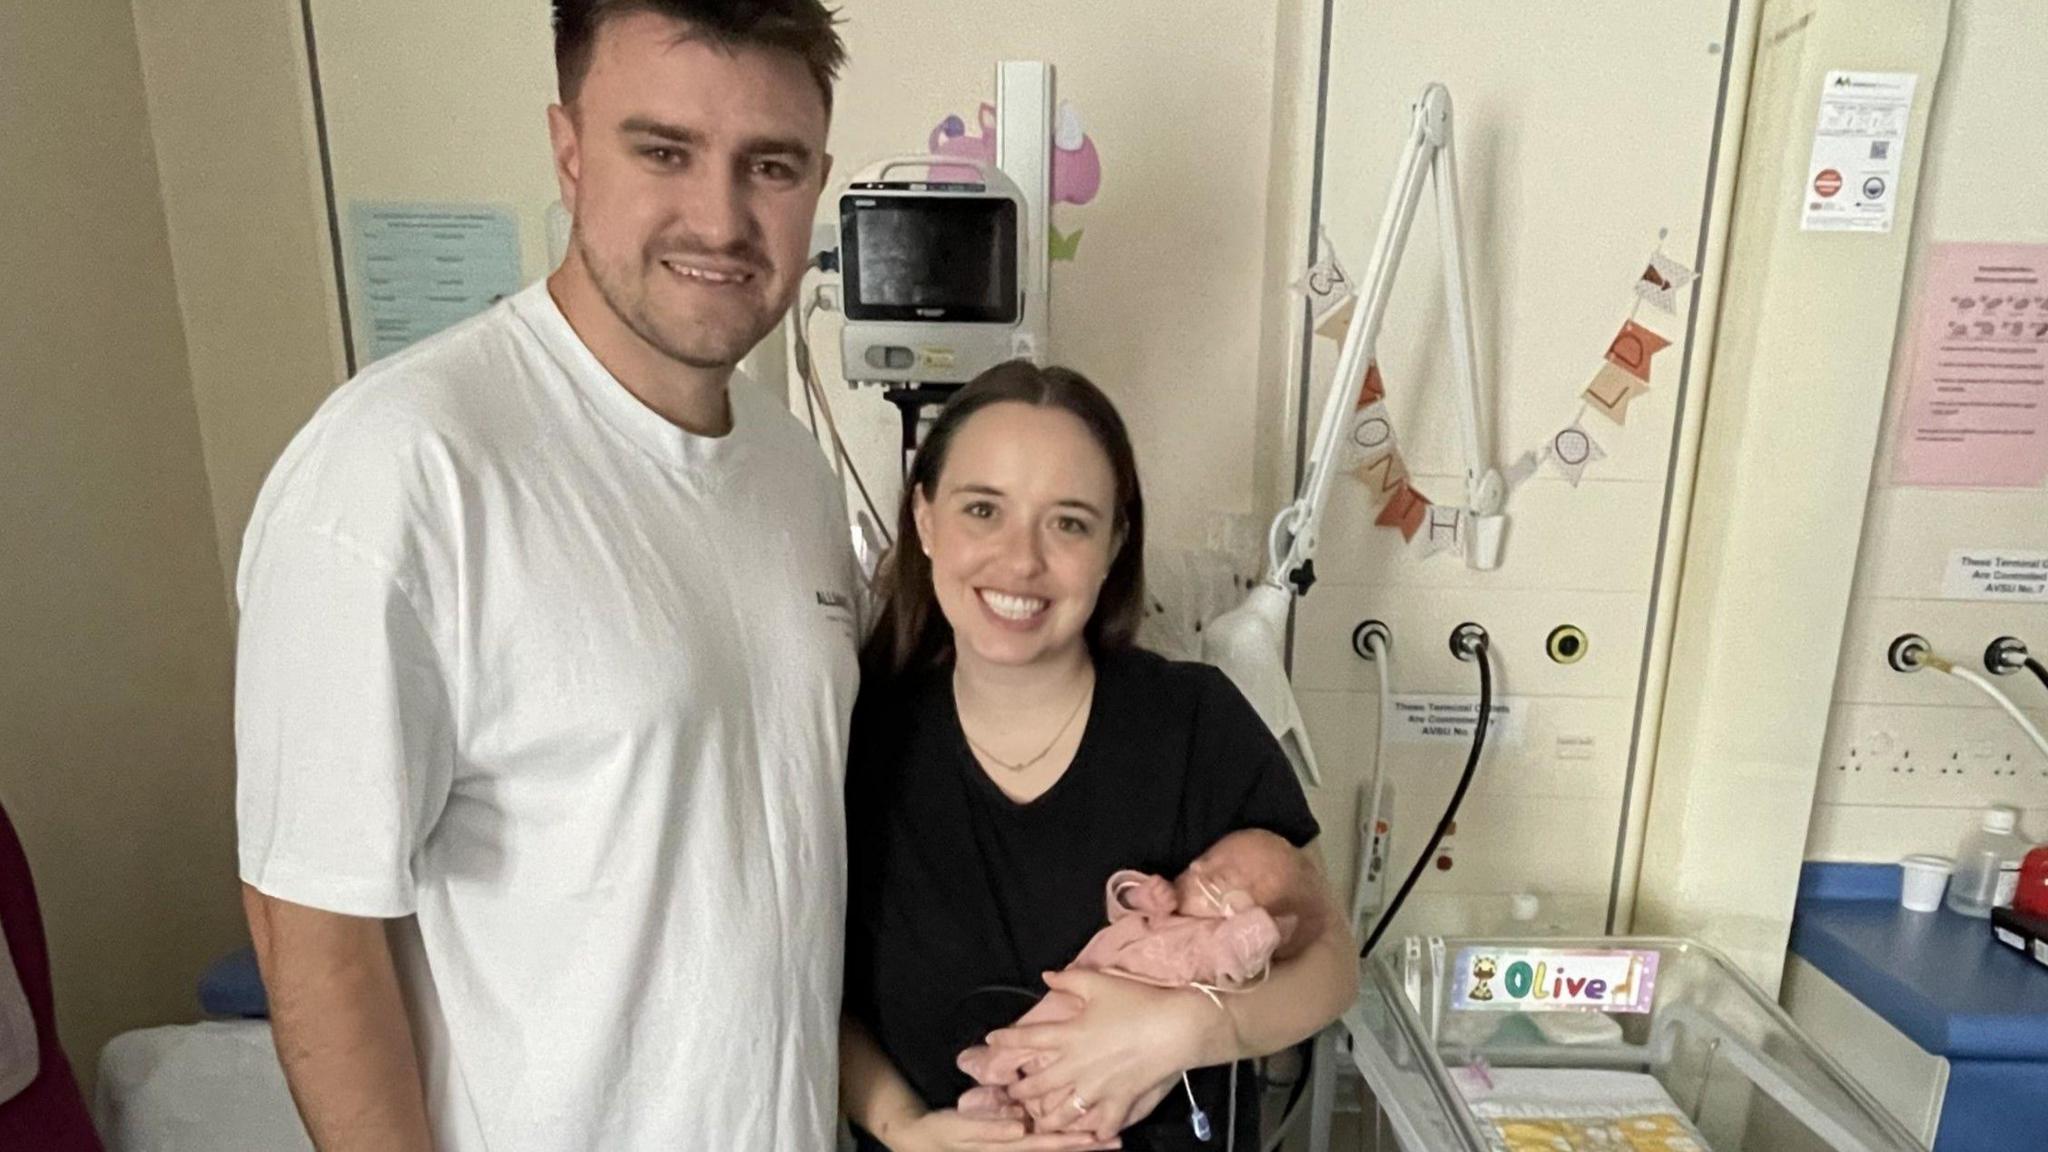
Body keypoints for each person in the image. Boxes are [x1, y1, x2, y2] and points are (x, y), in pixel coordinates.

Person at [233, 3, 857, 1148]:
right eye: (661, 150)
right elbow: (308, 921)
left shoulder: (793, 475)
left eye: (768, 165)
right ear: (569, 152)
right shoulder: (399, 472)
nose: (719, 218)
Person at [840, 362, 1359, 1152]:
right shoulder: (858, 742)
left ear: (1114, 543)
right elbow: (808, 988)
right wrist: (905, 1130)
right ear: (924, 517)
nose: (1021, 562)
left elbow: (1333, 968)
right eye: (984, 509)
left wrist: (1183, 1031)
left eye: (1069, 523)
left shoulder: (1197, 726)